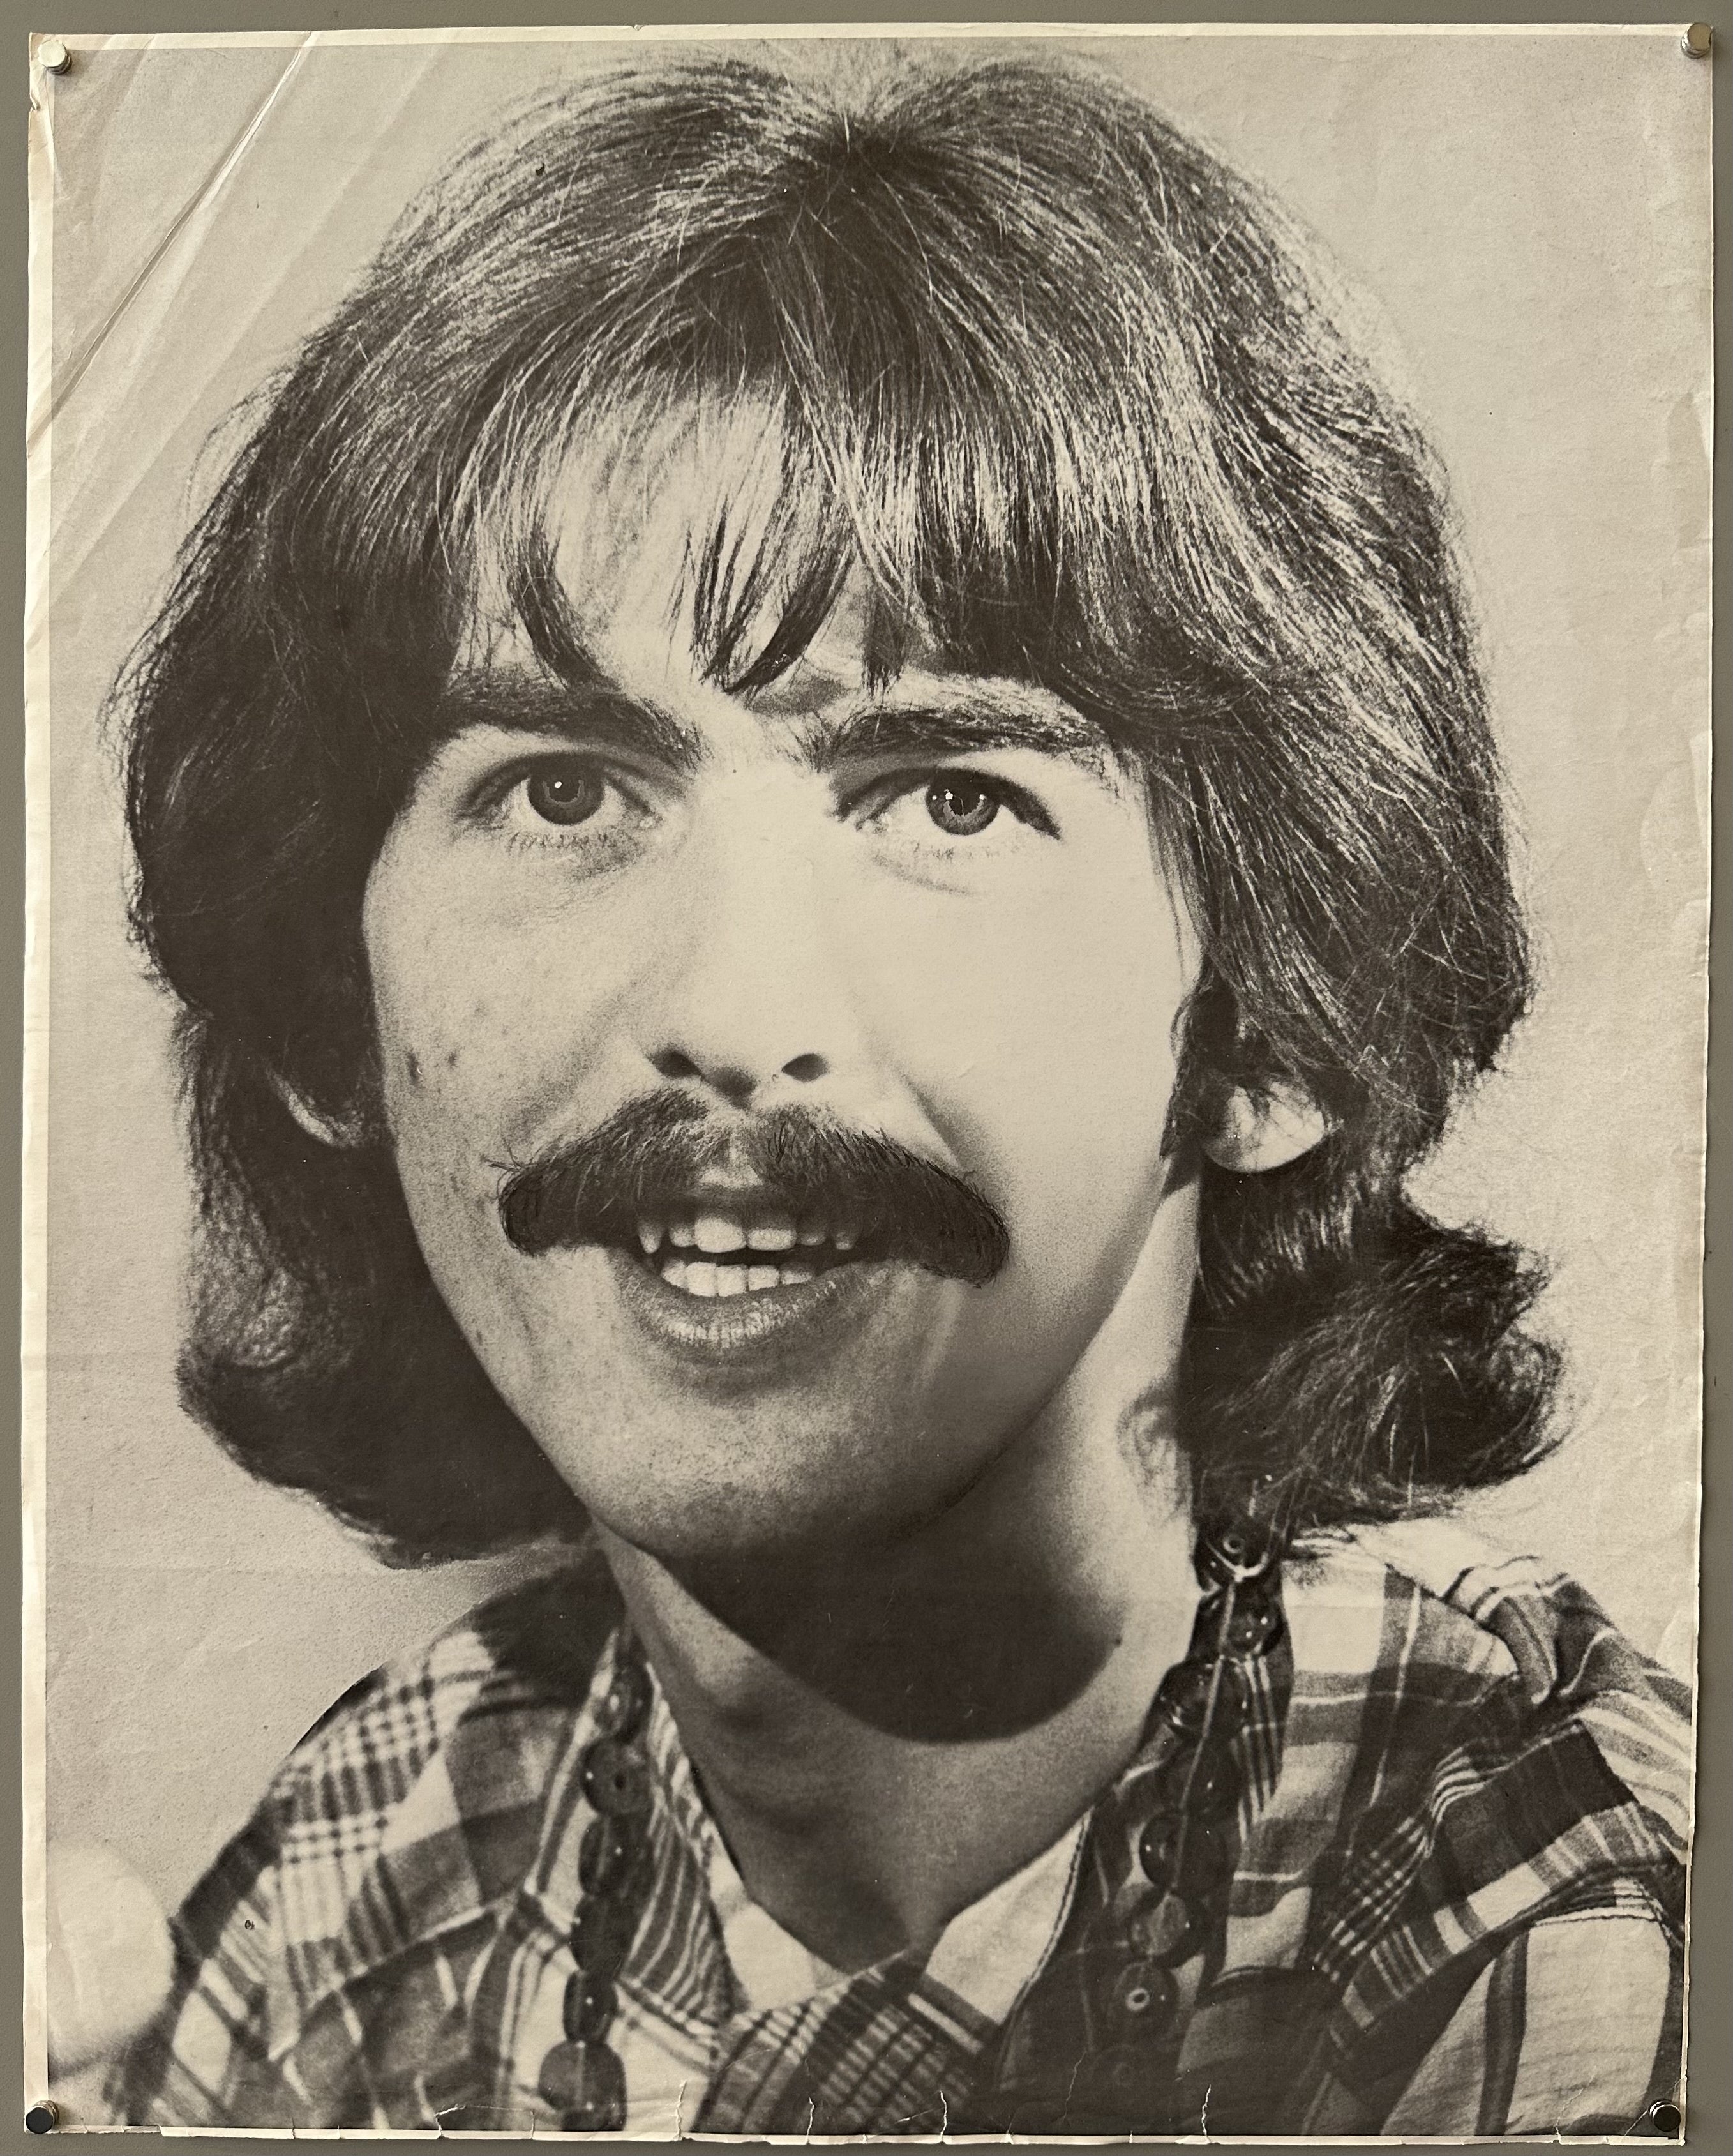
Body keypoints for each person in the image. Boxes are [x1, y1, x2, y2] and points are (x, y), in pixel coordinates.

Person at [87, 53, 1687, 2137]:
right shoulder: (378, 1886)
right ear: (330, 1012)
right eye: (563, 788)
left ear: (1275, 1022)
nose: (733, 1011)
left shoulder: (1570, 1934)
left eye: (945, 792)